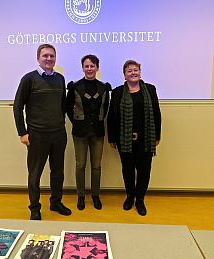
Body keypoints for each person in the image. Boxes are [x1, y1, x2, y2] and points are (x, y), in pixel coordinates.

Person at [13, 43, 71, 220]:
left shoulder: (60, 79)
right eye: (45, 55)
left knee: (58, 171)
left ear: (55, 58)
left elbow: (62, 104)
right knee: (35, 173)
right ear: (38, 58)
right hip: (37, 135)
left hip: (58, 134)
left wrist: (60, 123)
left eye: (52, 56)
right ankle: (34, 208)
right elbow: (17, 107)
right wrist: (22, 132)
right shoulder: (28, 79)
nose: (48, 59)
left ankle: (55, 202)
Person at [107, 59, 161, 216]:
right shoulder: (117, 92)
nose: (133, 73)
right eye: (129, 70)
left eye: (135, 70)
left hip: (146, 139)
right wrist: (112, 138)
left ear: (140, 72)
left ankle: (140, 200)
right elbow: (112, 117)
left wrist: (157, 135)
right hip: (124, 140)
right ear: (124, 75)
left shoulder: (150, 90)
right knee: (128, 170)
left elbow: (156, 113)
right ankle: (130, 196)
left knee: (144, 171)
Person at [66, 54, 111, 210]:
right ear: (83, 68)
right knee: (80, 165)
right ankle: (80, 196)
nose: (90, 69)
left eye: (92, 66)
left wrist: (95, 122)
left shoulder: (104, 87)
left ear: (97, 68)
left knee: (96, 166)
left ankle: (95, 196)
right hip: (79, 132)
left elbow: (105, 109)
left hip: (98, 132)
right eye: (87, 66)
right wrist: (79, 122)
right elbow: (68, 108)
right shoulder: (74, 86)